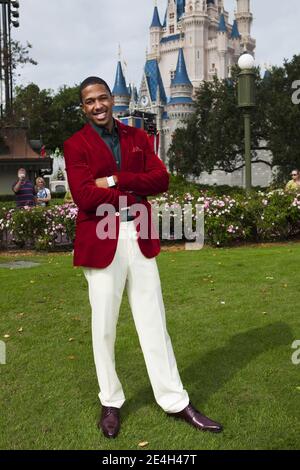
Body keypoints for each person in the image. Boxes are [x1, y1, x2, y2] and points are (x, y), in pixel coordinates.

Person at [63, 76, 223, 439]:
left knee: (154, 320)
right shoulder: (75, 145)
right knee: (103, 327)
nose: (98, 105)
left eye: (103, 98)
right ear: (84, 107)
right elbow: (84, 197)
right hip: (102, 239)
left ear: (111, 99)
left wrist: (116, 179)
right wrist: (131, 193)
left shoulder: (137, 137)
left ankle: (174, 399)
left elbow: (161, 179)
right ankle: (110, 400)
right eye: (90, 101)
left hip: (140, 235)